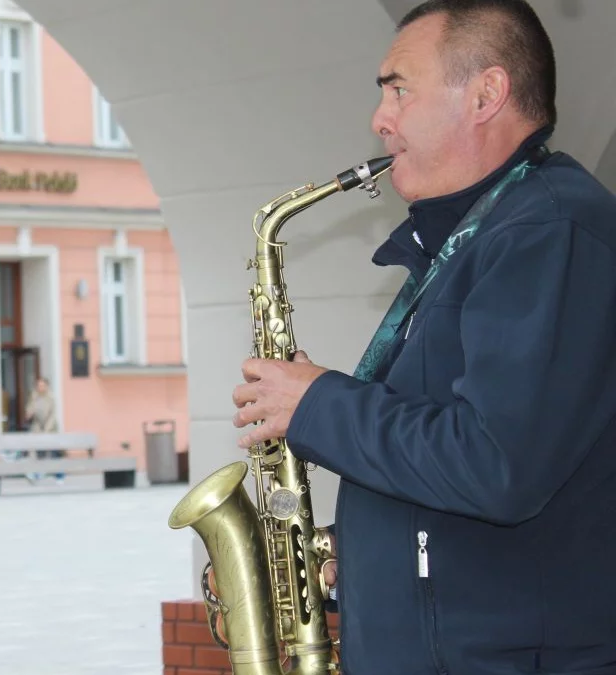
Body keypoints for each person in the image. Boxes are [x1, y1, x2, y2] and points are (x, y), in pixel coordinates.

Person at [231, 1, 616, 673]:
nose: (379, 119)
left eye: (398, 88)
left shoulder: (548, 231)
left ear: (486, 94)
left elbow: (498, 463)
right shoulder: (486, 238)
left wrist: (320, 405)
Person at [24, 377, 64, 483]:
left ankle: (59, 476)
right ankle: (38, 474)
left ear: (47, 386)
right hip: (38, 430)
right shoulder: (34, 397)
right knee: (39, 453)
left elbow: (52, 415)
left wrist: (46, 430)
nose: (40, 387)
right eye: (39, 385)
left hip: (51, 429)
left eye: (43, 385)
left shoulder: (51, 397)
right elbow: (28, 415)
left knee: (55, 453)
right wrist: (32, 400)